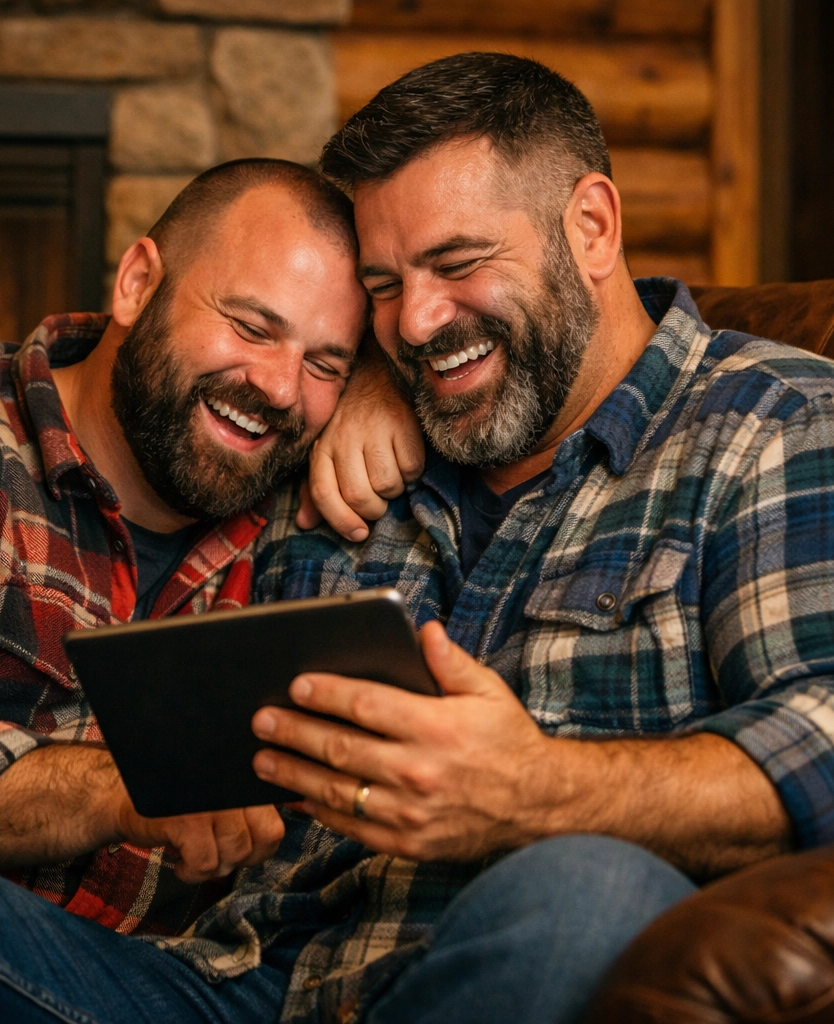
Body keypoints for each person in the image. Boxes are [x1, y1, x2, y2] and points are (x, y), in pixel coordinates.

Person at [242, 51, 834, 1021]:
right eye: (383, 284)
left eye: (458, 263)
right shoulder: (364, 431)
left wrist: (539, 789)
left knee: (591, 890)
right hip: (240, 972)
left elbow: (823, 722)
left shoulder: (771, 421)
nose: (416, 320)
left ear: (591, 227)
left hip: (508, 964)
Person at [0, 157, 370, 1007]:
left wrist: (383, 402)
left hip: (194, 988)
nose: (280, 387)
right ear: (138, 282)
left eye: (326, 363)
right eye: (252, 327)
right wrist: (123, 786)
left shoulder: (321, 503)